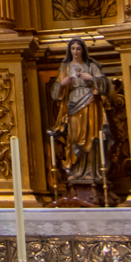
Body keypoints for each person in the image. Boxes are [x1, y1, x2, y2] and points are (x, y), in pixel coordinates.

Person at [50, 38, 110, 185]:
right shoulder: (65, 67)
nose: (75, 51)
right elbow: (55, 92)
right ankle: (75, 170)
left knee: (91, 136)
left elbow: (104, 85)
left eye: (78, 48)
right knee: (74, 137)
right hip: (72, 104)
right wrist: (62, 84)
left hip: (90, 103)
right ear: (69, 51)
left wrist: (92, 79)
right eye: (73, 49)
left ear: (83, 50)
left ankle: (91, 171)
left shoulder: (91, 66)